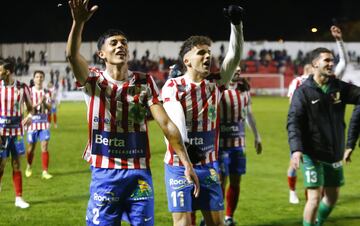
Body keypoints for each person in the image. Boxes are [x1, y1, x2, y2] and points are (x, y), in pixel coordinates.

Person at [65, 0, 199, 225]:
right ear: (101, 54)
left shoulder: (145, 82)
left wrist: (186, 162)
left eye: (124, 42)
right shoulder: (92, 80)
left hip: (139, 174)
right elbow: (71, 55)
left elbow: (166, 124)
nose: (120, 46)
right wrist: (78, 23)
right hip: (105, 173)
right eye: (114, 43)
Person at [161, 5, 244, 226]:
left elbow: (234, 56)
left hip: (208, 165)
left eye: (209, 53)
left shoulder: (215, 84)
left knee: (216, 223)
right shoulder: (173, 86)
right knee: (183, 223)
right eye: (201, 53)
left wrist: (236, 25)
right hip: (178, 165)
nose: (208, 56)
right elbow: (175, 118)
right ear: (187, 61)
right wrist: (186, 146)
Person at [287, 47, 360, 226]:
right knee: (314, 197)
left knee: (332, 197)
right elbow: (293, 121)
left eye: (332, 60)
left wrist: (351, 142)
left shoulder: (339, 87)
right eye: (327, 60)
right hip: (312, 153)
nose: (331, 63)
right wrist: (296, 149)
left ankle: (317, 222)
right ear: (315, 64)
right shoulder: (303, 92)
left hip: (334, 152)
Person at [286, 25, 348, 205]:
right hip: (305, 133)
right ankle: (293, 192)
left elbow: (344, 62)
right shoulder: (298, 83)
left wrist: (339, 41)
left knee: (318, 180)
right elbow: (294, 109)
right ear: (313, 66)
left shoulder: (330, 81)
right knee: (295, 163)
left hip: (324, 136)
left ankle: (312, 207)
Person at [218, 67, 262, 226]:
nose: (237, 71)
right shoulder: (217, 89)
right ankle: (215, 216)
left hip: (238, 145)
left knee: (236, 181)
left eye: (239, 69)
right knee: (220, 182)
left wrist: (257, 136)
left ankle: (229, 216)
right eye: (234, 69)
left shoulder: (244, 91)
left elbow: (249, 115)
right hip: (220, 146)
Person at [0, 59, 33, 208]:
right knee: (1, 164)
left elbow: (30, 107)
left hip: (17, 132)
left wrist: (29, 116)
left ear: (7, 72)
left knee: (16, 164)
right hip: (1, 131)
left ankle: (18, 198)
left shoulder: (21, 87)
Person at [25, 70, 53, 179]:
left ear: (43, 78)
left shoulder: (47, 92)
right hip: (32, 122)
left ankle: (45, 171)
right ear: (34, 78)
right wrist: (38, 103)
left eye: (41, 77)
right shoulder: (29, 92)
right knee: (31, 147)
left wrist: (44, 102)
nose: (39, 78)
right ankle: (28, 166)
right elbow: (26, 109)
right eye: (37, 76)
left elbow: (50, 108)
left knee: (44, 146)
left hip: (44, 123)